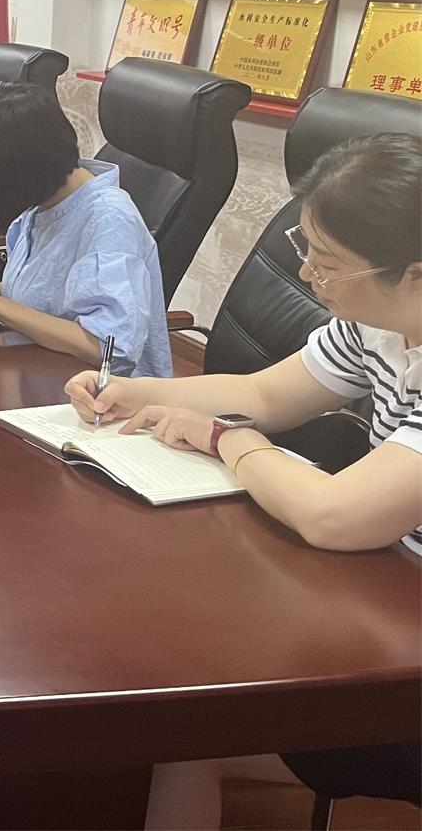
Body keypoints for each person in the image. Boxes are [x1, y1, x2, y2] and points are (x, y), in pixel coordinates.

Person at [65, 133, 422, 828]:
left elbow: (335, 516)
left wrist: (229, 439)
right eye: (305, 247)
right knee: (175, 688)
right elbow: (265, 393)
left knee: (188, 722)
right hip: (390, 589)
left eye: (329, 263)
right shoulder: (377, 323)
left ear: (414, 274)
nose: (308, 274)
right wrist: (133, 392)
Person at [0, 81, 171, 375]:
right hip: (41, 370)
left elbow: (109, 348)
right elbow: (49, 301)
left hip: (100, 392)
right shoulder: (44, 203)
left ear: (20, 170)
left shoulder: (109, 221)